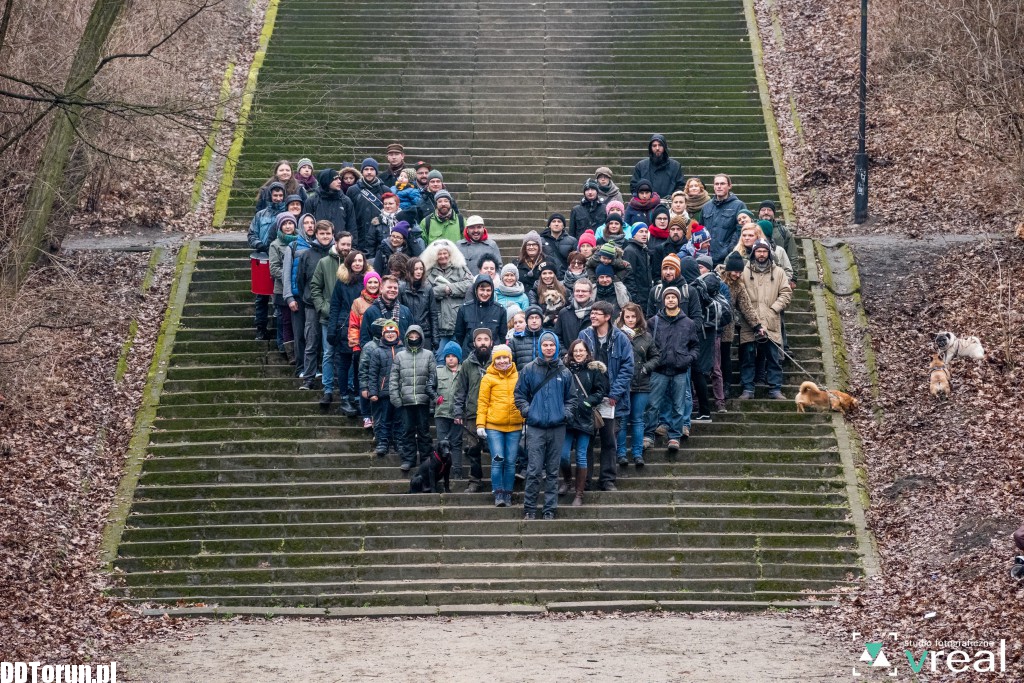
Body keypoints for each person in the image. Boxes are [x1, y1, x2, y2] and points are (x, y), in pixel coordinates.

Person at [514, 331, 578, 520]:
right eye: (545, 345)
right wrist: (528, 411)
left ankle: (549, 509)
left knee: (552, 471)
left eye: (551, 345)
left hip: (558, 427)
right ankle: (530, 509)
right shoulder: (529, 369)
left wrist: (564, 414)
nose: (548, 348)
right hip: (536, 427)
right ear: (540, 347)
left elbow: (572, 398)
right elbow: (519, 395)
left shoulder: (565, 372)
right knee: (533, 470)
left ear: (556, 347)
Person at [578, 300, 634, 489]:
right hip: (589, 397)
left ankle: (608, 479)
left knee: (609, 441)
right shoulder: (584, 335)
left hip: (611, 399)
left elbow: (628, 367)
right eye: (592, 312)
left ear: (608, 317)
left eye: (597, 313)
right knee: (586, 441)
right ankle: (584, 480)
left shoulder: (621, 338)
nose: (592, 315)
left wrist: (615, 394)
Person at [645, 286, 699, 453]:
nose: (670, 300)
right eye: (667, 297)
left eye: (673, 297)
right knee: (653, 405)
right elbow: (647, 344)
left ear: (679, 300)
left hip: (680, 370)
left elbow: (695, 346)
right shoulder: (653, 321)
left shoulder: (688, 323)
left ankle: (674, 436)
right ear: (663, 300)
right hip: (659, 370)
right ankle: (648, 435)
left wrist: (688, 359)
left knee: (678, 406)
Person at [738, 239, 792, 400]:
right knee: (747, 357)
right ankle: (747, 388)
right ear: (753, 252)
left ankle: (775, 388)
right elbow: (739, 292)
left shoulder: (779, 272)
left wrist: (774, 309)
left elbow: (786, 293)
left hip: (771, 320)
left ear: (769, 252)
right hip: (749, 321)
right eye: (758, 251)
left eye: (764, 251)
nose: (761, 254)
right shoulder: (744, 271)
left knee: (773, 357)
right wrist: (749, 313)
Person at [561, 340, 608, 507]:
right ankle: (567, 480)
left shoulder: (594, 370)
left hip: (585, 417)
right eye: (576, 351)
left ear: (587, 352)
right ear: (571, 353)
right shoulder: (564, 369)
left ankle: (579, 493)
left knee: (581, 455)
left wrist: (588, 402)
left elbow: (600, 391)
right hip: (567, 418)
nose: (579, 353)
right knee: (563, 454)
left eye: (582, 351)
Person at [476, 344, 524, 507]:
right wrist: (480, 424)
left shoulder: (519, 376)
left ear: (510, 358)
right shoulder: (488, 378)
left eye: (505, 357)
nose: (502, 361)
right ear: (494, 360)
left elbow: (525, 400)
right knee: (498, 459)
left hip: (515, 426)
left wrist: (525, 421)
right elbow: (482, 402)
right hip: (494, 426)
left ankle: (508, 493)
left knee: (511, 461)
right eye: (499, 358)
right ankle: (498, 493)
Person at [326, 248, 372, 417]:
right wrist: (332, 330)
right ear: (349, 263)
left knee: (360, 364)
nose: (358, 264)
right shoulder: (342, 282)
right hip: (345, 327)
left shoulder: (370, 281)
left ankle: (358, 397)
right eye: (355, 261)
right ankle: (345, 397)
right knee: (344, 364)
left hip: (365, 327)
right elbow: (335, 306)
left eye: (361, 261)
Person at [310, 230, 351, 408]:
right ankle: (327, 389)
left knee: (349, 355)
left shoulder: (355, 263)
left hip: (350, 320)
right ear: (336, 243)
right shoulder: (324, 262)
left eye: (349, 245)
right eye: (343, 244)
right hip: (328, 318)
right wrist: (323, 308)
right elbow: (315, 287)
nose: (346, 248)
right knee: (328, 353)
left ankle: (348, 390)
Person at [615, 303, 659, 466]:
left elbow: (656, 356)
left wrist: (646, 368)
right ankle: (621, 453)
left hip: (641, 383)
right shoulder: (616, 335)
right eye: (627, 317)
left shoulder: (646, 336)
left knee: (638, 419)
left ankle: (637, 453)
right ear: (622, 317)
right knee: (622, 418)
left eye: (633, 317)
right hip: (622, 383)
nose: (631, 320)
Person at [390, 325, 437, 472]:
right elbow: (393, 380)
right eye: (411, 336)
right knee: (407, 431)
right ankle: (408, 459)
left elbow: (433, 377)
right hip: (406, 401)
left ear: (421, 337)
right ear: (406, 337)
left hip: (423, 400)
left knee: (424, 431)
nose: (414, 339)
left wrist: (432, 400)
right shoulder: (400, 356)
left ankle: (425, 459)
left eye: (417, 336)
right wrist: (396, 399)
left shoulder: (428, 354)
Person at [453, 328, 494, 492]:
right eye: (479, 340)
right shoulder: (467, 364)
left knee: (495, 449)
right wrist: (457, 412)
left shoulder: (498, 361)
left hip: (495, 413)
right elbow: (460, 390)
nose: (483, 342)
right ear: (474, 343)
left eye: (486, 339)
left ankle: (498, 481)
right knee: (473, 450)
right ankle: (475, 481)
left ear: (491, 342)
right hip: (472, 414)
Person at [295, 221, 334, 389]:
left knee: (331, 346)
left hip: (332, 306)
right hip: (311, 306)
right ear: (316, 234)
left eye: (328, 234)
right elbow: (300, 280)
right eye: (322, 234)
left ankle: (330, 379)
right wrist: (309, 297)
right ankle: (309, 378)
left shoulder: (337, 255)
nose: (325, 237)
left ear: (333, 234)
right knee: (311, 342)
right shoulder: (307, 254)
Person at [716, 252, 757, 408]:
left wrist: (756, 325)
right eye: (735, 271)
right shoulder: (717, 280)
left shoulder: (739, 286)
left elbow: (746, 306)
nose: (737, 274)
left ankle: (726, 386)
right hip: (713, 324)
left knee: (725, 357)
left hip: (727, 326)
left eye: (740, 272)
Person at [422, 239, 473, 362]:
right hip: (439, 324)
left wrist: (449, 288)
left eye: (445, 253)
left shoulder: (460, 268)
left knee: (460, 357)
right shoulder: (428, 272)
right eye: (439, 254)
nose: (443, 256)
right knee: (440, 358)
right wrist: (442, 290)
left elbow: (470, 285)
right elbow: (427, 292)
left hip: (458, 320)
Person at [247, 181, 285, 340]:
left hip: (281, 258)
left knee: (279, 296)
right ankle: (261, 328)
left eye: (280, 195)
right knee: (261, 296)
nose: (277, 198)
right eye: (275, 195)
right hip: (263, 256)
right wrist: (260, 245)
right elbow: (251, 234)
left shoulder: (287, 215)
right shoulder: (260, 215)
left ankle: (279, 330)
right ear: (270, 196)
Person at [282, 213, 317, 375]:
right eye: (306, 223)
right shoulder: (294, 246)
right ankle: (301, 367)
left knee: (313, 334)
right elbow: (286, 273)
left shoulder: (318, 246)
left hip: (314, 297)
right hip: (297, 296)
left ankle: (314, 367)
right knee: (299, 333)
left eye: (312, 223)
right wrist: (288, 297)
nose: (309, 226)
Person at [367, 320, 402, 456]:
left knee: (399, 419)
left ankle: (399, 442)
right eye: (387, 333)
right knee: (384, 419)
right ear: (383, 334)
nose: (390, 335)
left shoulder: (403, 350)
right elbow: (373, 373)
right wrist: (373, 392)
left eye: (393, 332)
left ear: (397, 334)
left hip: (399, 393)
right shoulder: (377, 352)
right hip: (384, 392)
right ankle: (383, 442)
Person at [268, 212, 298, 360]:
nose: (288, 226)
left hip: (298, 289)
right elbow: (273, 268)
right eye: (285, 224)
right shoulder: (275, 245)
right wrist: (290, 276)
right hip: (281, 289)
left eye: (290, 223)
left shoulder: (301, 241)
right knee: (285, 321)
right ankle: (289, 352)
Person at [453, 274, 507, 354]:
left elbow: (502, 336)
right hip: (469, 355)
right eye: (482, 290)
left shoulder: (500, 310)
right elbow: (459, 335)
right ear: (476, 290)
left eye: (488, 290)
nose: (485, 293)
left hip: (493, 356)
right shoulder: (464, 309)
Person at [434, 341, 465, 478]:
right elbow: (430, 387)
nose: (450, 358)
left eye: (453, 356)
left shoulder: (464, 370)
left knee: (456, 443)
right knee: (442, 444)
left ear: (459, 357)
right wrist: (435, 398)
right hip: (441, 412)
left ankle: (457, 471)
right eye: (448, 356)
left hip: (458, 414)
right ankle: (442, 471)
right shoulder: (438, 371)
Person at [702, 174, 747, 265]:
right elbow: (701, 230)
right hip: (707, 257)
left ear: (729, 186)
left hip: (727, 258)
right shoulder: (706, 207)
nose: (719, 186)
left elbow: (742, 230)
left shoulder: (739, 206)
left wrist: (729, 249)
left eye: (722, 184)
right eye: (716, 184)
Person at [347, 158, 390, 254]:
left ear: (376, 171)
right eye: (366, 169)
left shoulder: (385, 190)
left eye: (372, 169)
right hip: (359, 235)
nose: (369, 172)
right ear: (362, 171)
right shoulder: (352, 190)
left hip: (380, 237)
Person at [359, 275, 413, 347]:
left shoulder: (405, 311)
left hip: (401, 355)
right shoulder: (371, 312)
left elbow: (412, 335)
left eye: (395, 288)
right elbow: (365, 340)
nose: (393, 290)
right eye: (389, 287)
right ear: (381, 289)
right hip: (378, 356)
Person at [399, 256, 437, 354]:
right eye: (416, 269)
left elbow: (433, 314)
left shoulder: (428, 289)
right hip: (407, 333)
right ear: (409, 270)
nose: (419, 271)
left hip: (425, 333)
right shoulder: (401, 288)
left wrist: (435, 338)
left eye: (421, 269)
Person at [646, 253, 701, 321]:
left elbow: (697, 319)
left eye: (671, 268)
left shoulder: (689, 291)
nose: (668, 272)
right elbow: (650, 319)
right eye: (665, 269)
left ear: (678, 270)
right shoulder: (655, 291)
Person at [303, 169, 357, 237]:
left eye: (339, 179)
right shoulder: (311, 201)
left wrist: (352, 245)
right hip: (317, 244)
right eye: (335, 179)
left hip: (340, 245)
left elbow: (352, 227)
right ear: (326, 181)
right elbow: (306, 225)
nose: (339, 181)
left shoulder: (346, 201)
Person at [629, 134, 685, 199]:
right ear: (651, 148)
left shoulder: (675, 166)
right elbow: (634, 186)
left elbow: (680, 186)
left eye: (660, 145)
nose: (657, 148)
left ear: (664, 147)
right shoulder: (641, 166)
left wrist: (673, 196)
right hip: (646, 206)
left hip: (669, 204)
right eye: (654, 146)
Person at [757, 200, 798, 272]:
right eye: (763, 210)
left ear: (774, 213)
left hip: (778, 275)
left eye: (769, 210)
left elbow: (792, 256)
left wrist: (793, 278)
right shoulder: (751, 230)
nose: (766, 212)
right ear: (759, 213)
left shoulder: (783, 231)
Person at [554, 278, 594, 351]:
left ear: (590, 294)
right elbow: (557, 337)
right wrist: (565, 354)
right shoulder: (564, 313)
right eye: (577, 291)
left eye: (584, 291)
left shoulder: (597, 313)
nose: (580, 294)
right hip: (569, 358)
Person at [622, 223, 653, 306]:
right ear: (634, 234)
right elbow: (629, 277)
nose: (644, 234)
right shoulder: (630, 251)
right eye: (641, 231)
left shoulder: (644, 250)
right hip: (638, 299)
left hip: (646, 297)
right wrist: (635, 298)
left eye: (646, 232)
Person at [540, 213, 575, 278]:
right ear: (549, 225)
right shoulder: (541, 240)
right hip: (547, 276)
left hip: (565, 277)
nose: (556, 224)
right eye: (553, 221)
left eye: (559, 221)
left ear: (563, 225)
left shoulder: (572, 241)